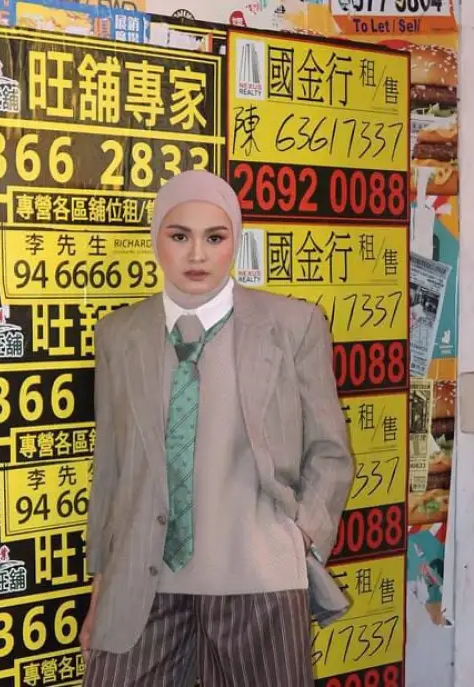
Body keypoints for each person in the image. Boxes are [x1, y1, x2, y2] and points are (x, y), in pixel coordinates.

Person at [80, 170, 353, 686]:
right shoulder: (119, 334)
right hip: (143, 585)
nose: (197, 254)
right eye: (179, 235)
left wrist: (300, 538)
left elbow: (329, 451)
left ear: (235, 241)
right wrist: (102, 585)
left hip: (258, 580)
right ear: (157, 240)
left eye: (214, 237)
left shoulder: (293, 326)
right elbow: (112, 468)